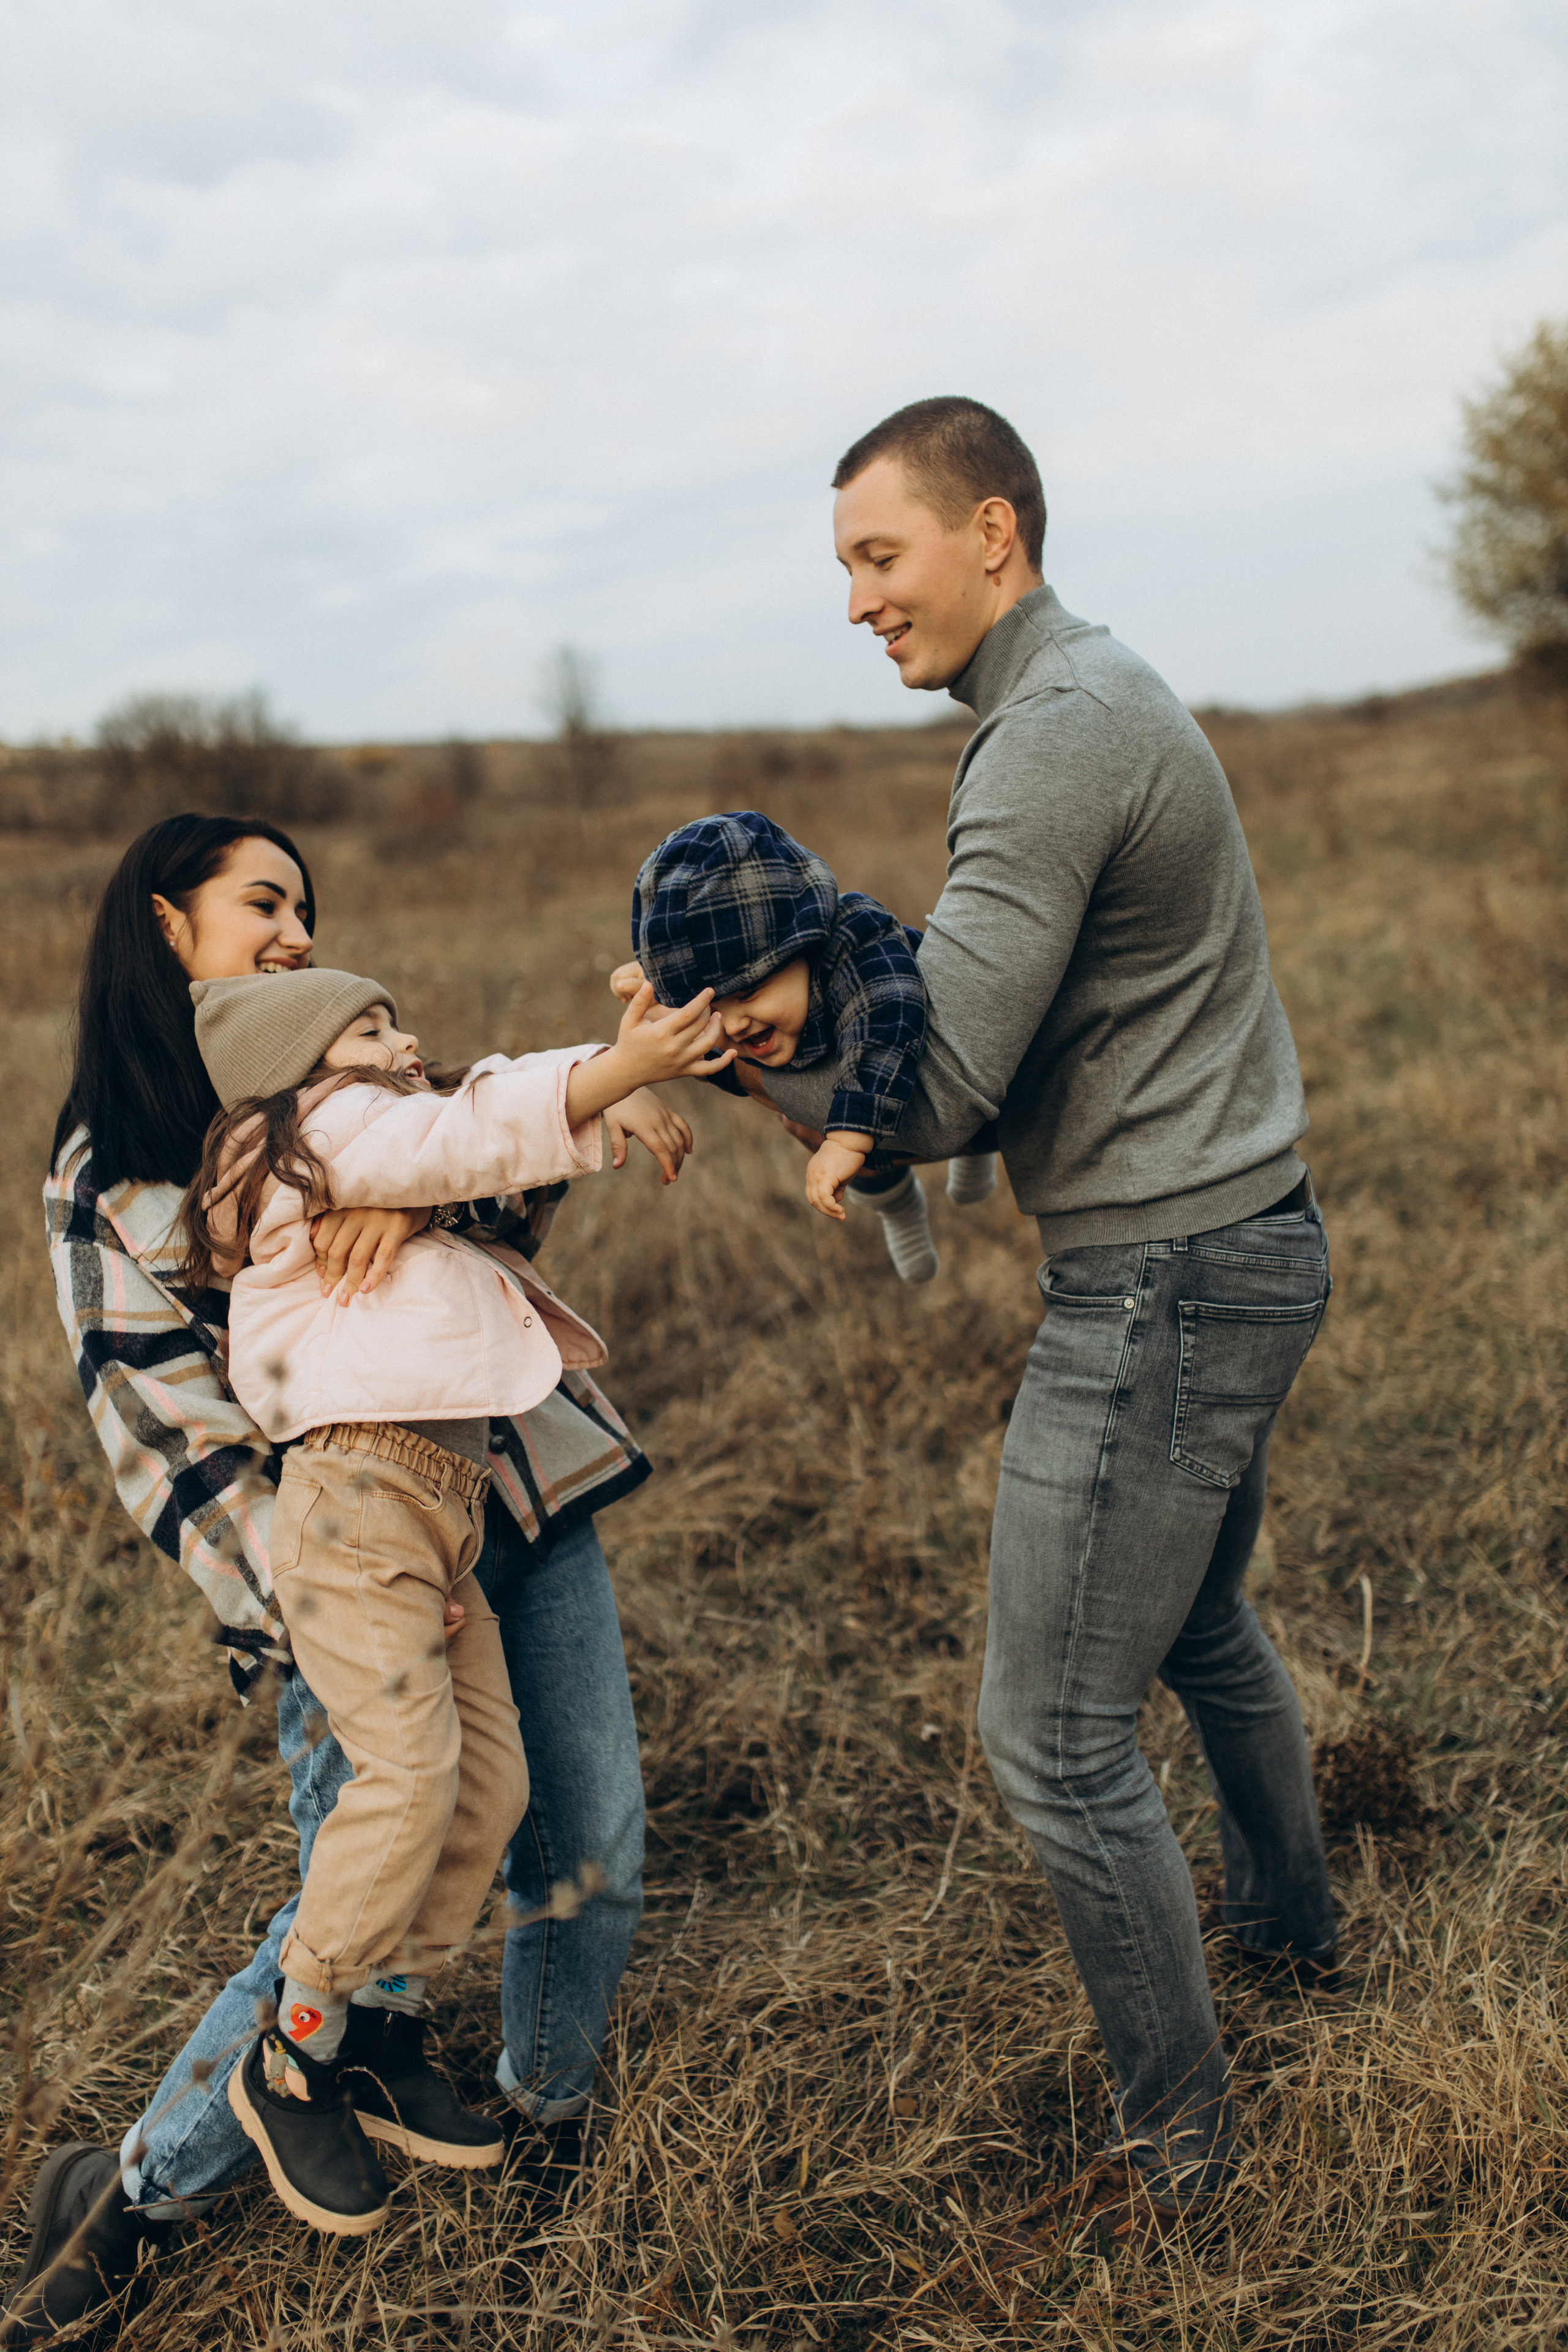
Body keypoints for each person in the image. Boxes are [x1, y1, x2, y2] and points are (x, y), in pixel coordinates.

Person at [754, 398, 1336, 2242]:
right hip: (1243, 1237)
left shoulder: (1051, 735)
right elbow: (978, 1042)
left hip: (1169, 1276)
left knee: (1050, 1730)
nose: (854, 597)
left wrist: (731, 1047)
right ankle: (1290, 1935)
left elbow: (933, 1094)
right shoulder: (1065, 703)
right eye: (843, 562)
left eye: (878, 554)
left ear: (988, 532)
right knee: (1201, 1621)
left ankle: (1181, 2161)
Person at [5, 817, 673, 2341]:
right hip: (343, 1558)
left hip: (509, 1485)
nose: (296, 927)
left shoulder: (342, 1067)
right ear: (168, 924)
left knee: (591, 1832)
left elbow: (492, 1189)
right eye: (262, 900)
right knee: (357, 1885)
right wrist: (307, 1621)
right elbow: (172, 1427)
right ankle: (131, 2199)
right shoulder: (119, 1160)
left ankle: (541, 2112)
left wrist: (403, 1178)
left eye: (308, 902)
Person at [175, 966, 725, 2236]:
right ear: (304, 1067)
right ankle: (295, 2048)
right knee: (413, 1780)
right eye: (370, 1029)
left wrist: (595, 1095)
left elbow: (475, 1123)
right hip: (357, 1501)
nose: (405, 1037)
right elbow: (470, 1127)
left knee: (492, 1788)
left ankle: (381, 2024)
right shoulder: (324, 1132)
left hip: (433, 1509)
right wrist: (621, 1072)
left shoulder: (372, 1150)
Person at [619, 808, 1000, 1285]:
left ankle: (974, 1154)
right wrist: (649, 1007)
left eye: (751, 993)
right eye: (713, 1005)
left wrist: (847, 1137)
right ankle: (897, 1202)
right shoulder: (744, 1015)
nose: (735, 1022)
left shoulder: (856, 942)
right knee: (802, 1120)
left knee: (867, 1117)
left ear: (805, 943)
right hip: (836, 1078)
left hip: (922, 1052)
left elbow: (888, 1022)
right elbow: (700, 1033)